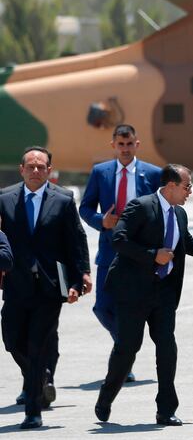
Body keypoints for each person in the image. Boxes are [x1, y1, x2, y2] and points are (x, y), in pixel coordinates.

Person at [94, 164, 193, 426]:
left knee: (167, 347)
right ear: (171, 185)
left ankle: (165, 410)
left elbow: (188, 243)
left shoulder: (180, 213)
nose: (190, 192)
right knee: (128, 348)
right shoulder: (141, 206)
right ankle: (106, 396)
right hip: (133, 290)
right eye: (187, 186)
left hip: (163, 292)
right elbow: (118, 239)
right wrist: (153, 255)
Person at [0, 146, 87, 429]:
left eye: (41, 167)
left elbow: (75, 240)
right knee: (13, 341)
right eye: (31, 166)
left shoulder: (63, 200)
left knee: (38, 346)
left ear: (49, 170)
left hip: (50, 287)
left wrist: (80, 277)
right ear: (22, 169)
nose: (36, 171)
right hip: (16, 284)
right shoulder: (4, 198)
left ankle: (33, 411)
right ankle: (40, 378)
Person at [79, 124, 161, 383]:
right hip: (110, 250)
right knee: (103, 308)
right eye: (120, 144)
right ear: (113, 145)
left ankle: (123, 359)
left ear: (137, 144)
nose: (125, 149)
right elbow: (85, 208)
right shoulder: (100, 172)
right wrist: (102, 221)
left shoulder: (153, 173)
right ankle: (126, 348)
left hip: (140, 253)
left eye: (129, 144)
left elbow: (162, 209)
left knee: (135, 309)